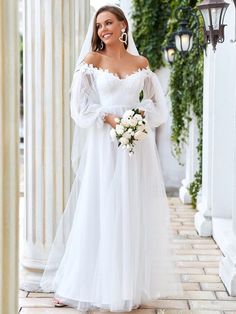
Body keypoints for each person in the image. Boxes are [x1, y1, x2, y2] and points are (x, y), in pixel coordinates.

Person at [40, 4, 183, 312]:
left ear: (122, 26)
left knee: (130, 209)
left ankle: (126, 285)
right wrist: (110, 119)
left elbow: (160, 108)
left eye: (108, 23)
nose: (103, 29)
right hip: (105, 147)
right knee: (101, 207)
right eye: (99, 25)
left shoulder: (141, 63)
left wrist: (138, 118)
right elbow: (79, 107)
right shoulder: (92, 60)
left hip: (135, 148)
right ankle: (80, 285)